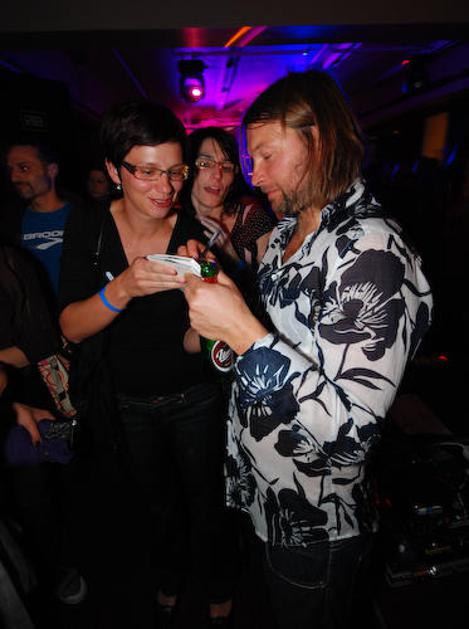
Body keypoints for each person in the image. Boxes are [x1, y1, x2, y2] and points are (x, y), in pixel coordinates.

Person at [182, 70, 433, 629]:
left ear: (317, 141)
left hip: (317, 517)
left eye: (267, 155)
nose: (254, 174)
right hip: (268, 490)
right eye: (251, 159)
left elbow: (352, 435)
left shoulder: (371, 251)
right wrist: (220, 298)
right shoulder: (290, 226)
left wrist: (245, 334)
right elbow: (276, 333)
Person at [58, 100, 233, 626]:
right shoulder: (89, 225)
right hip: (126, 402)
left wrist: (210, 321)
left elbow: (192, 340)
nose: (166, 188)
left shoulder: (191, 236)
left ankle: (218, 580)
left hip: (193, 398)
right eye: (148, 172)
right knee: (156, 505)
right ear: (114, 171)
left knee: (207, 501)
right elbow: (70, 327)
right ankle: (170, 576)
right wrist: (123, 288)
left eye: (175, 172)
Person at [0, 243, 87, 610]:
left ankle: (58, 568)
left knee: (36, 500)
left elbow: (40, 342)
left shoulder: (8, 263)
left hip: (20, 405)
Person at [183, 126, 276, 299]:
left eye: (226, 167)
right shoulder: (173, 219)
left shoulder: (251, 219)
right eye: (205, 164)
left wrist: (231, 258)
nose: (217, 175)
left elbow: (275, 290)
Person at [2, 139, 78, 304]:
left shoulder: (85, 217)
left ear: (51, 170)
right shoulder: (9, 223)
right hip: (32, 316)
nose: (14, 177)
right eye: (10, 170)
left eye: (24, 168)